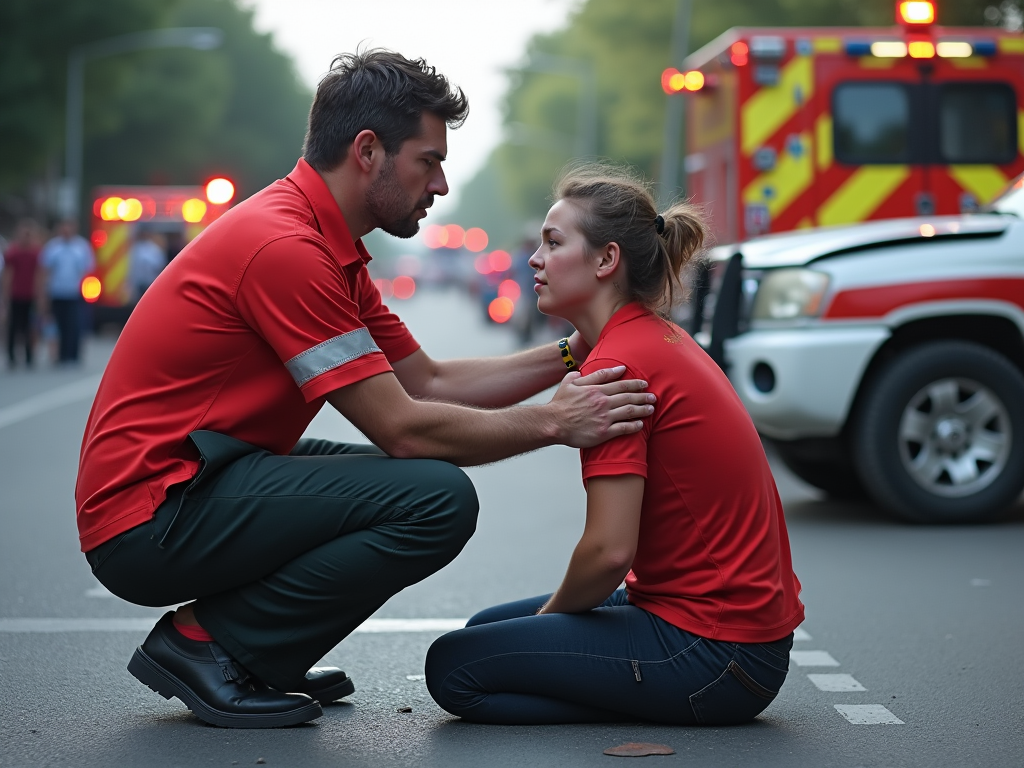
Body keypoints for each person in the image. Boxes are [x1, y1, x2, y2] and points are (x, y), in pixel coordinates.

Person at [76, 50, 654, 730]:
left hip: (203, 478)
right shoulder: (285, 249)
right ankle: (206, 646)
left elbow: (431, 381)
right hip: (151, 515)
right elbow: (403, 428)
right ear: (369, 151)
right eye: (428, 161)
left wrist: (573, 350)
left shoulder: (328, 248)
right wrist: (555, 423)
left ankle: (258, 651)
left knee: (412, 484)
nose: (439, 184)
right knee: (434, 498)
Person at [425, 163, 804, 726]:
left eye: (553, 243)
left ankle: (621, 706)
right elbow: (445, 382)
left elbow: (609, 553)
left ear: (606, 260)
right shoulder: (645, 332)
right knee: (485, 632)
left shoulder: (616, 366)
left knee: (452, 668)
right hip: (735, 638)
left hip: (717, 656)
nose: (533, 258)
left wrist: (550, 625)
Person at [39, 219, 94, 364]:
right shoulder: (53, 247)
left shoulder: (82, 247)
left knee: (74, 325)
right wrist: (44, 293)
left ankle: (73, 354)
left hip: (74, 293)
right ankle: (61, 355)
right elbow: (45, 270)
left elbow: (88, 270)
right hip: (57, 292)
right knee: (59, 325)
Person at [2, 219, 42, 368]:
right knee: (13, 326)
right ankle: (11, 356)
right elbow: (8, 274)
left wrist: (40, 295)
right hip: (16, 294)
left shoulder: (36, 253)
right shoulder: (13, 252)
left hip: (30, 295)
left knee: (29, 326)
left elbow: (40, 274)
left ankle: (29, 355)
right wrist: (5, 294)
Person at [127, 228, 167, 301]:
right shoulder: (152, 249)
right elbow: (159, 265)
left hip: (144, 282)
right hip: (145, 282)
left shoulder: (138, 248)